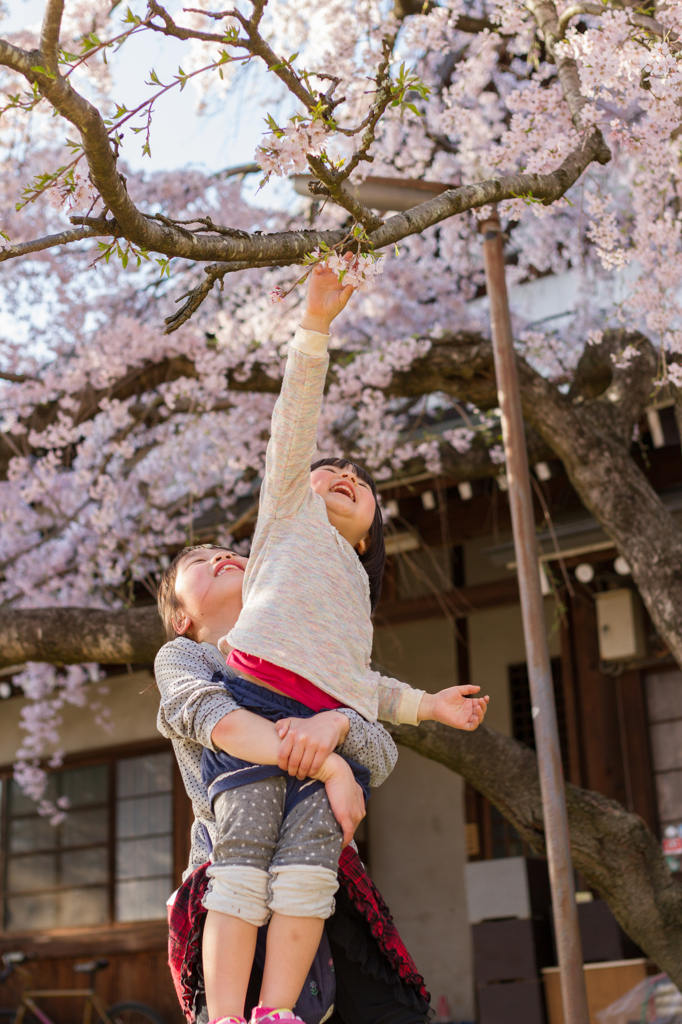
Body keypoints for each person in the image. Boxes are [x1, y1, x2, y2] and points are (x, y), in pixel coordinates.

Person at [156, 260, 489, 1024]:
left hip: (318, 875)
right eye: (200, 565)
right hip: (238, 866)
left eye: (224, 550)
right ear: (182, 618)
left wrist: (401, 713)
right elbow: (294, 428)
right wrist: (314, 326)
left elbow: (377, 729)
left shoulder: (343, 623)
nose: (222, 556)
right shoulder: (191, 657)